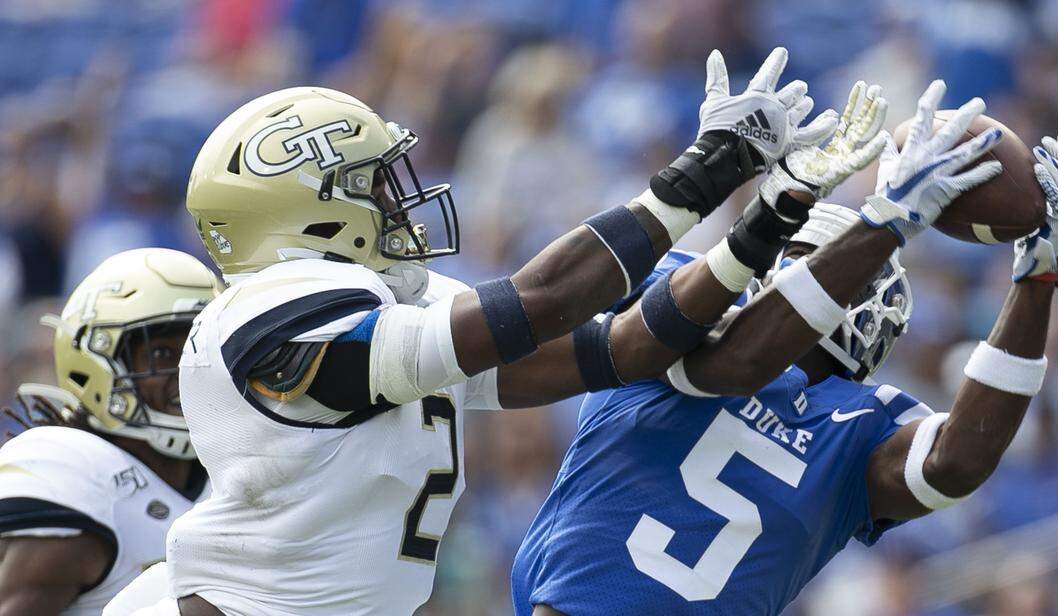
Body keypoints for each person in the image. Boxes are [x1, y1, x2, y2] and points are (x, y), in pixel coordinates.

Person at [108, 48, 907, 616]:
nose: (397, 202)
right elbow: (537, 300)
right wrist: (705, 173)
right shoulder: (267, 312)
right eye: (370, 185)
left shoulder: (392, 305)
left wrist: (770, 216)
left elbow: (625, 348)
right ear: (305, 207)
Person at [510, 115, 1058, 614]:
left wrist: (1037, 275)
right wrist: (884, 224)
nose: (862, 294)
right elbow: (736, 359)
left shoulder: (861, 425)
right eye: (844, 270)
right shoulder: (688, 300)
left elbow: (956, 463)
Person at [0, 248, 219, 616]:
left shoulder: (233, 465)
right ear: (99, 361)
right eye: (163, 355)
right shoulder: (77, 478)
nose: (189, 371)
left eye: (201, 350)